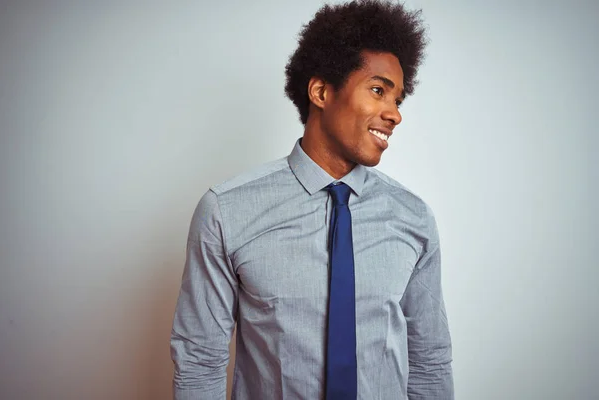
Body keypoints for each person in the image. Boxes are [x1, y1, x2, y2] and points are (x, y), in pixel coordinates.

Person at [170, 0, 454, 399]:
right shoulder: (227, 211)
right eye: (378, 91)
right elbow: (200, 360)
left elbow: (430, 360)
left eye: (398, 100)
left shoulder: (413, 218)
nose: (394, 114)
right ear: (321, 91)